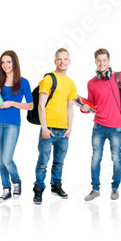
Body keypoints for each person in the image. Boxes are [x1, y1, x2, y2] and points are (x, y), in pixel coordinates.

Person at [81, 48, 121, 201]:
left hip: (116, 127)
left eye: (104, 60)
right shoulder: (91, 83)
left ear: (109, 61)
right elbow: (92, 106)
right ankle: (95, 189)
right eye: (99, 60)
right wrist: (84, 109)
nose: (102, 63)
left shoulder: (118, 77)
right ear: (95, 62)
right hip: (98, 126)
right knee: (95, 158)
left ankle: (115, 187)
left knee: (116, 158)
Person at [34, 48, 78, 203]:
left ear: (69, 61)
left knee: (59, 162)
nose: (62, 62)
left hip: (64, 131)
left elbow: (70, 107)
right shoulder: (48, 79)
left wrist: (70, 127)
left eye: (65, 59)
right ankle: (38, 188)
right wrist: (44, 128)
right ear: (55, 61)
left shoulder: (71, 83)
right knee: (42, 162)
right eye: (59, 59)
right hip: (49, 129)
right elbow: (41, 105)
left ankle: (56, 186)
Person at [0, 50, 33, 202]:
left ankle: (16, 181)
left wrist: (11, 103)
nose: (5, 65)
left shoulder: (23, 82)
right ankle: (6, 189)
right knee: (0, 160)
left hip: (13, 123)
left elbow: (31, 105)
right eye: (3, 62)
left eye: (8, 62)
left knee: (7, 159)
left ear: (14, 62)